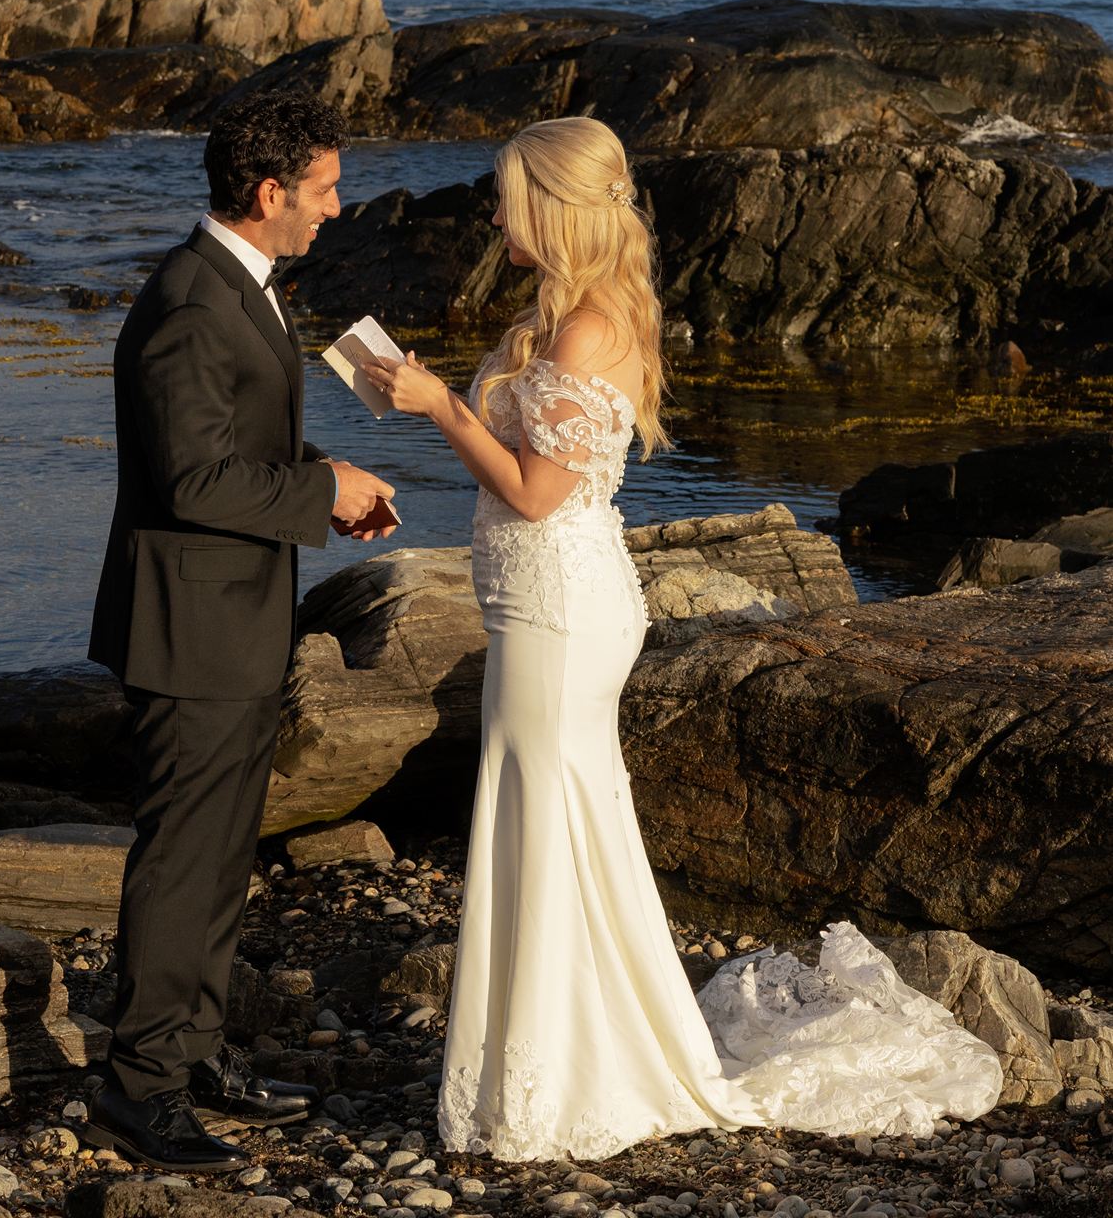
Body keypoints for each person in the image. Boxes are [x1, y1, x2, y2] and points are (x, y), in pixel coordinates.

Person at [360, 115, 1002, 1161]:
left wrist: (439, 405)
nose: (492, 212)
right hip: (540, 598)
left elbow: (533, 491)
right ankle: (554, 1048)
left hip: (561, 606)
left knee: (553, 807)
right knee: (546, 809)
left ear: (553, 208)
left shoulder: (590, 326)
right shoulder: (560, 313)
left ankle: (570, 1069)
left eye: (508, 196)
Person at [85, 91, 397, 1173]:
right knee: (180, 863)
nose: (335, 207)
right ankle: (140, 1087)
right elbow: (195, 476)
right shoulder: (190, 300)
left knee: (220, 859)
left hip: (232, 623)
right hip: (190, 633)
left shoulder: (242, 284)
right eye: (323, 189)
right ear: (268, 194)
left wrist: (330, 492)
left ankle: (201, 1053)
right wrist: (324, 487)